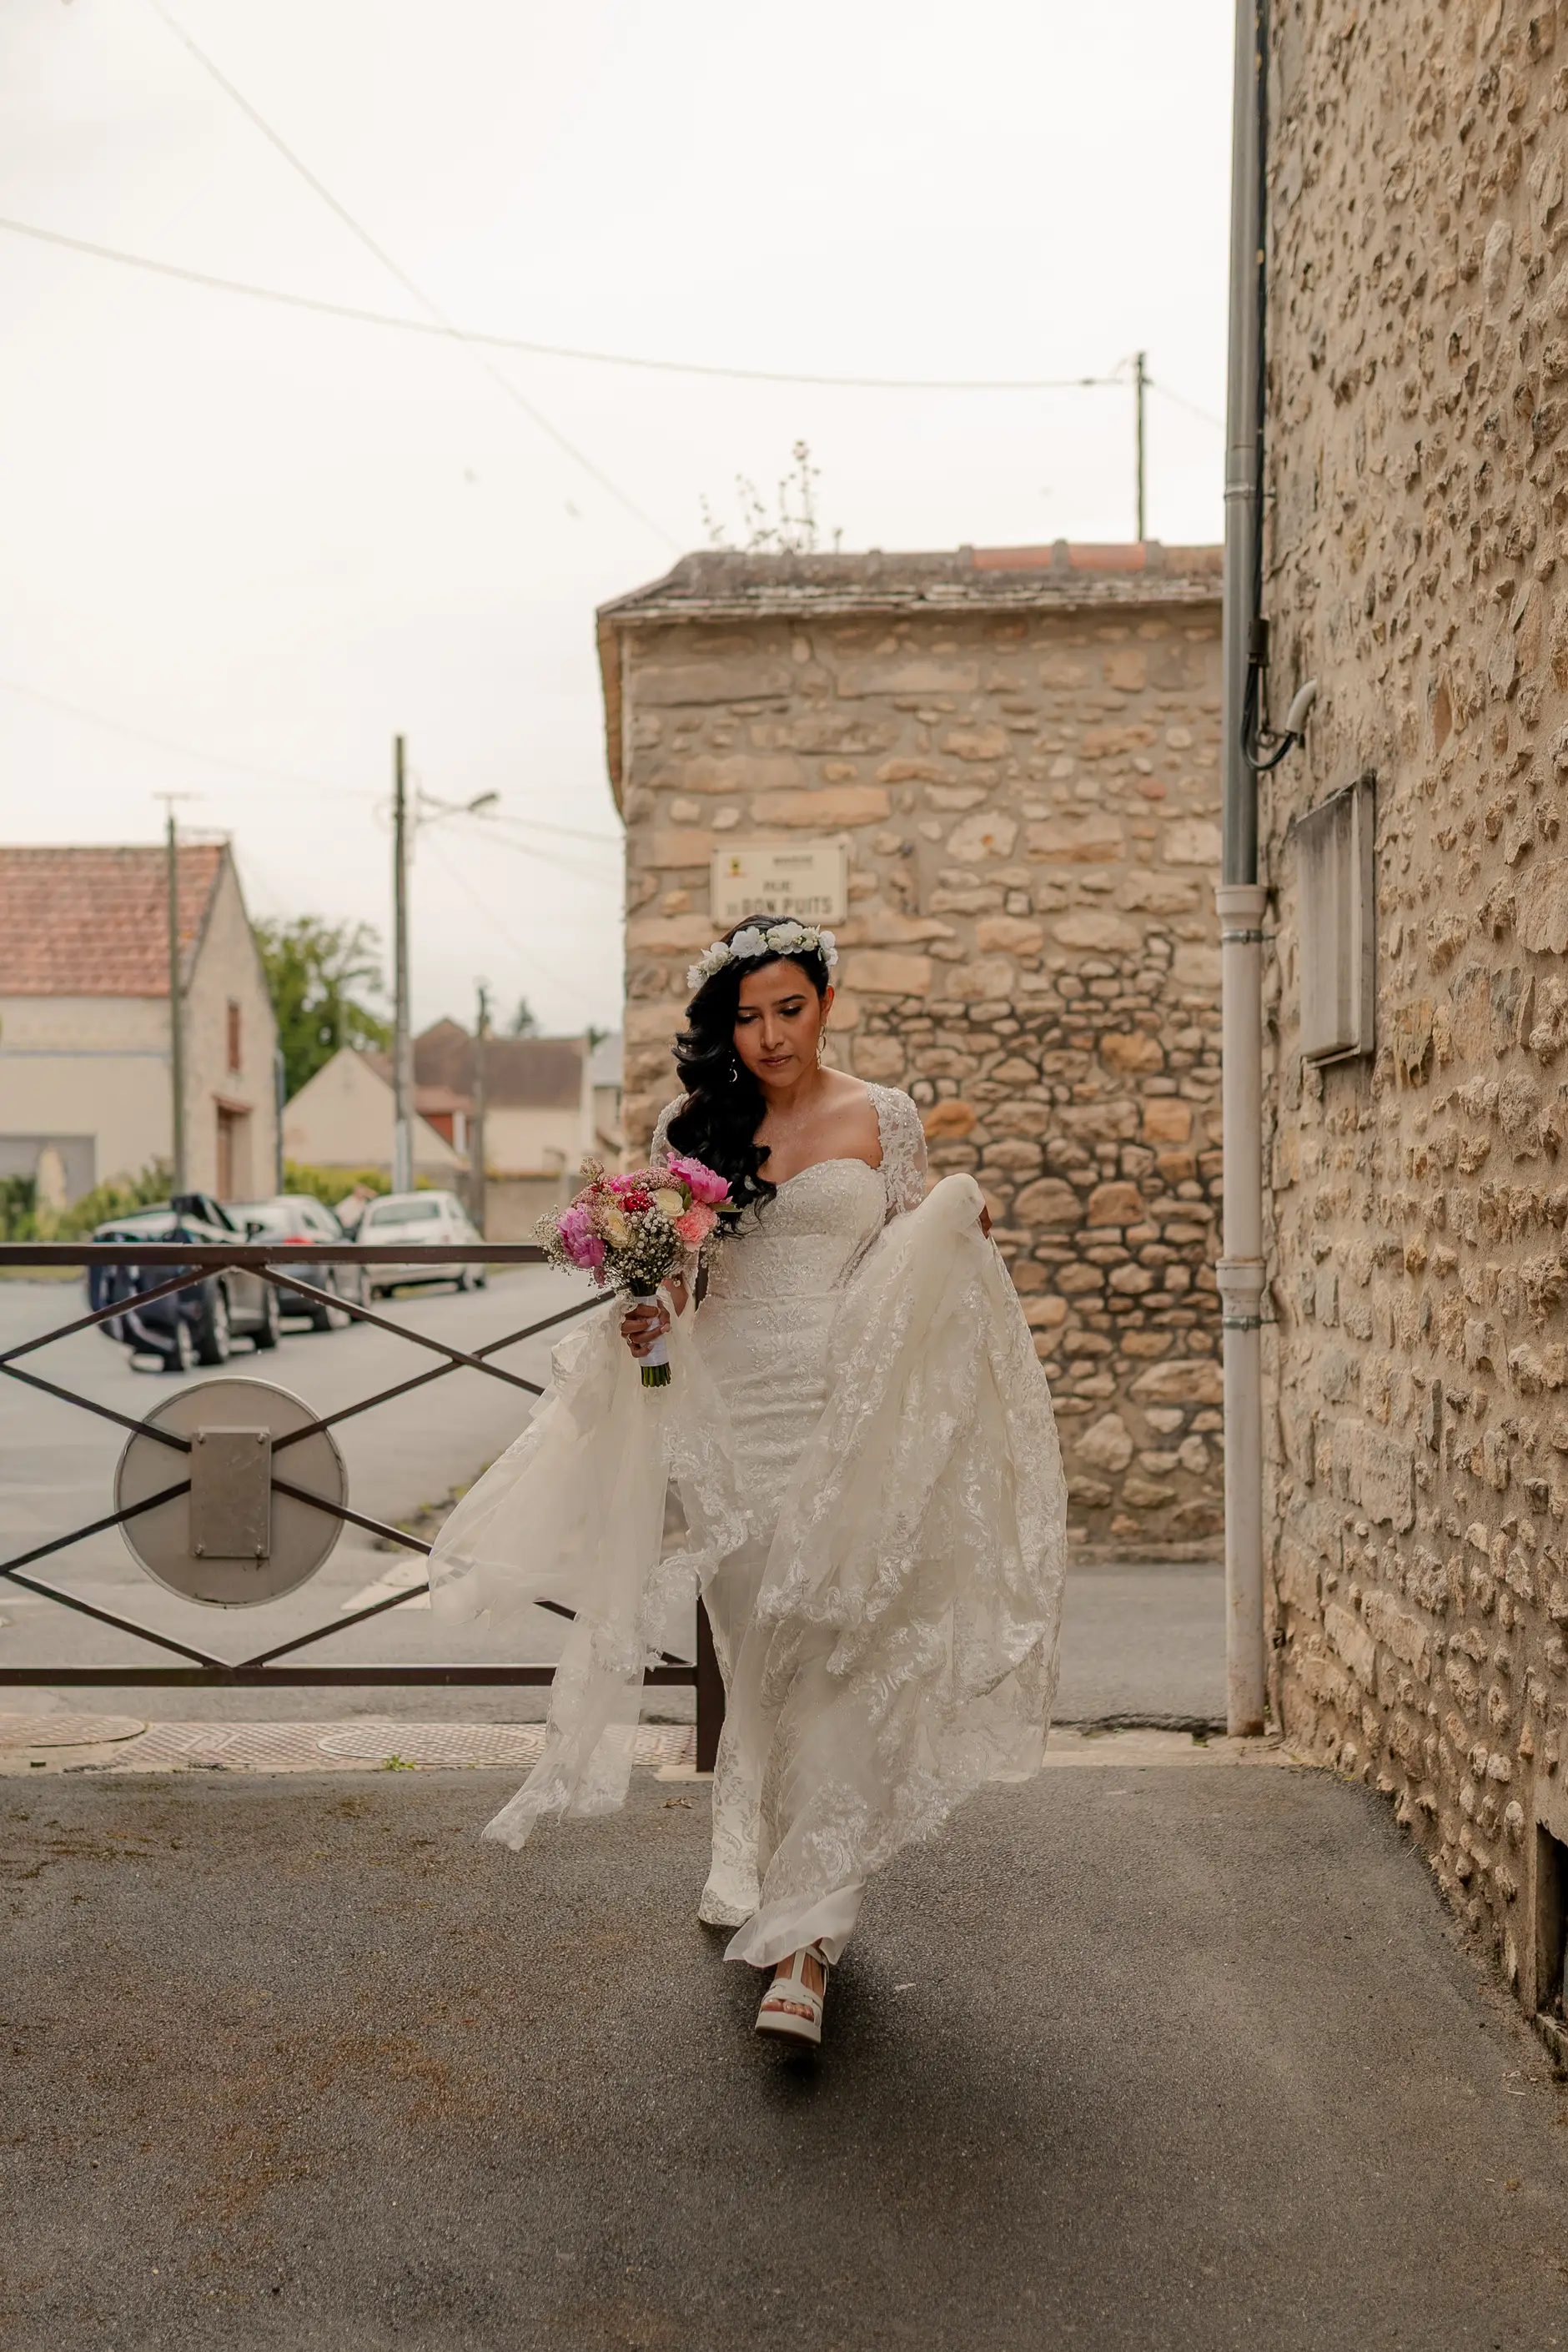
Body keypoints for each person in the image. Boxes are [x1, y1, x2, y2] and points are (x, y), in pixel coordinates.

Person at [430, 917, 1068, 2048]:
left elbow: (903, 1266)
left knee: (836, 1666)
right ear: (724, 1026)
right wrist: (647, 1318)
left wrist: (954, 1230)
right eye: (748, 1016)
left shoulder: (884, 1118)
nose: (771, 1035)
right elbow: (682, 1289)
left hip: (848, 1417)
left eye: (790, 1009)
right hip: (731, 1429)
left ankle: (805, 1947)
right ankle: (762, 1869)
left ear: (826, 1003)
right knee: (765, 1675)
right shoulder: (692, 1130)